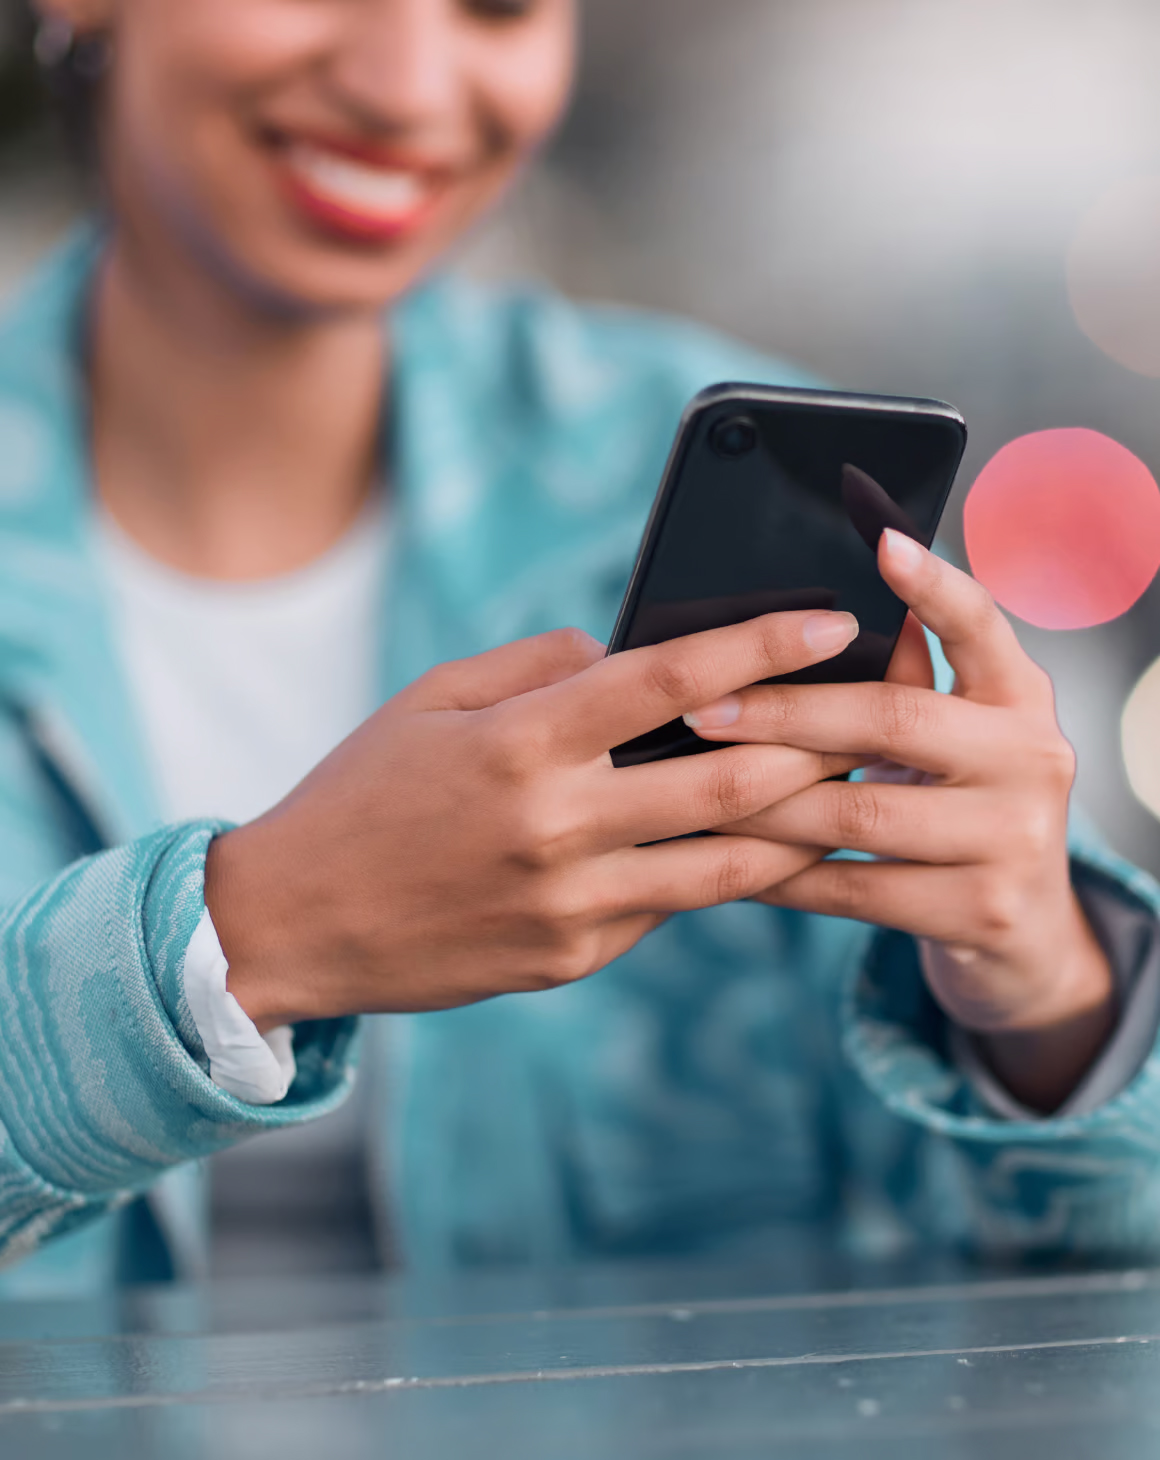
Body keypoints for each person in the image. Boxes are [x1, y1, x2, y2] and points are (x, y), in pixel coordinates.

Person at [1, 0, 1159, 1297]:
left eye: (499, 5)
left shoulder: (696, 474)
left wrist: (1048, 1007)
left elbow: (1059, 1264)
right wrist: (250, 938)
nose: (408, 85)